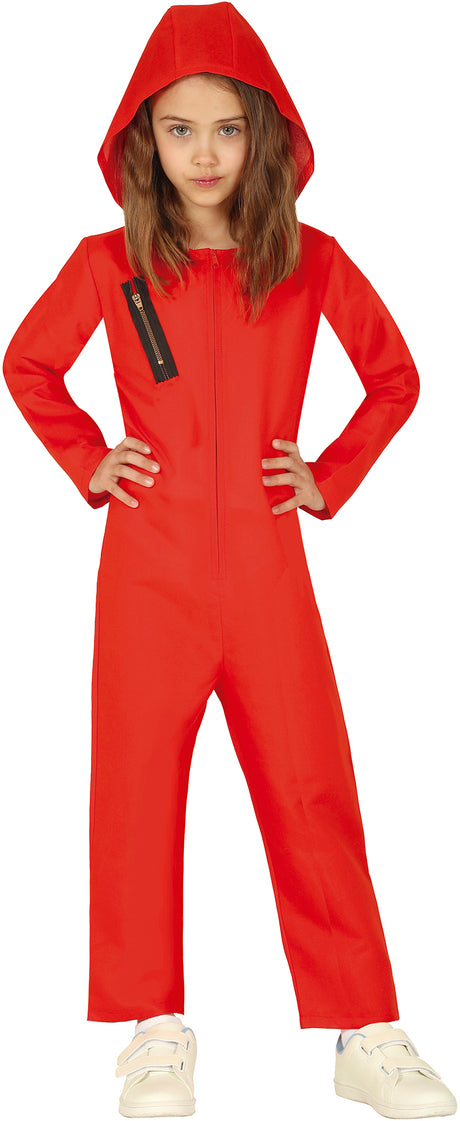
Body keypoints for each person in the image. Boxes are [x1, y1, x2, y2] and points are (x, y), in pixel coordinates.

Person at [2, 3, 457, 1118]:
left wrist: (329, 473)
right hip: (147, 568)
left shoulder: (310, 261)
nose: (203, 154)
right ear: (143, 141)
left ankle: (364, 1028)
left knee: (311, 782)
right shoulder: (107, 266)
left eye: (226, 129)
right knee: (136, 788)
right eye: (178, 129)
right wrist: (88, 458)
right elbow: (28, 364)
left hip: (266, 567)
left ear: (264, 135)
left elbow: (395, 377)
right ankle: (154, 1029)